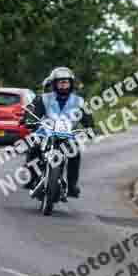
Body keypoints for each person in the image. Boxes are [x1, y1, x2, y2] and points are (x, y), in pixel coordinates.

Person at [23, 67, 94, 198]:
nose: (63, 85)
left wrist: (89, 128)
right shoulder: (44, 98)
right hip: (46, 132)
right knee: (34, 147)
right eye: (60, 82)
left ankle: (72, 186)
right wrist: (28, 120)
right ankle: (31, 178)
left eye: (66, 82)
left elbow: (87, 118)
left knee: (75, 153)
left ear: (71, 84)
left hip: (68, 134)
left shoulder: (79, 101)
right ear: (54, 84)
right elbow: (33, 112)